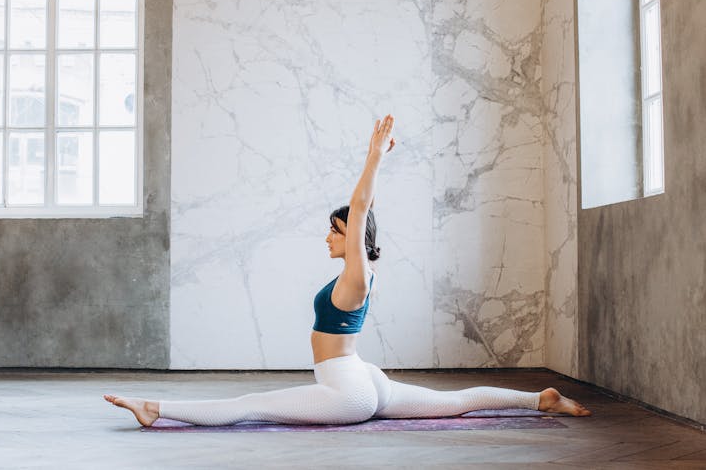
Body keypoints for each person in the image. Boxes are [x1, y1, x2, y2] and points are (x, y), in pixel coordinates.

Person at [104, 114, 591, 426]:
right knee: (454, 401)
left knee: (248, 405)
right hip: (366, 379)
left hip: (349, 389)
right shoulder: (359, 277)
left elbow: (360, 213)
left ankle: (155, 408)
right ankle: (538, 400)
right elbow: (364, 214)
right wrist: (371, 174)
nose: (329, 237)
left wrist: (373, 158)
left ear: (353, 238)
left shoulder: (356, 277)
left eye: (334, 232)